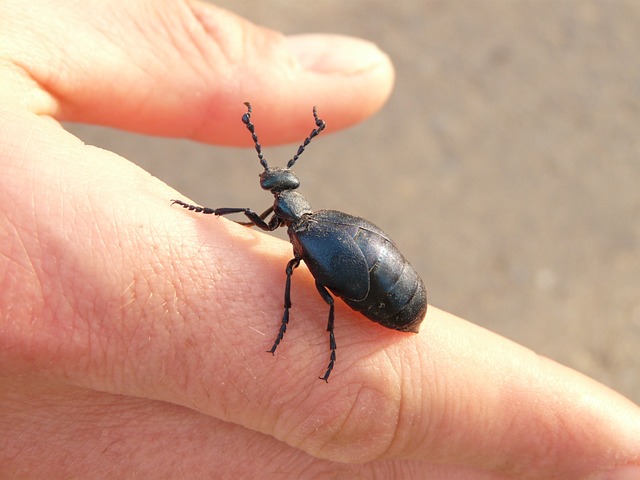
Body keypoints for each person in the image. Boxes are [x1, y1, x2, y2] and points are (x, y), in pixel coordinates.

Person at [1, 1, 638, 478]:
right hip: (380, 275)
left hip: (380, 291)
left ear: (281, 193)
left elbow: (278, 251)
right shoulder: (319, 221)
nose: (270, 186)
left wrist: (304, 336)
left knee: (300, 287)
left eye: (273, 180)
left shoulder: (304, 232)